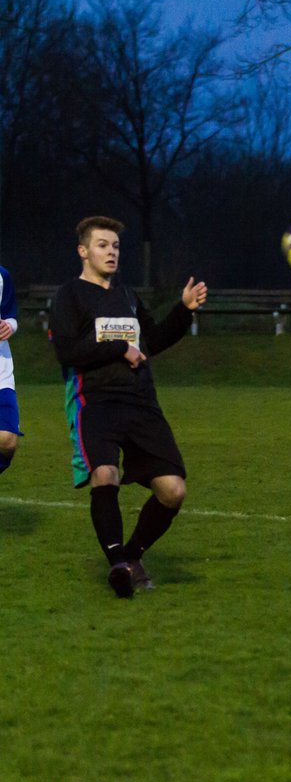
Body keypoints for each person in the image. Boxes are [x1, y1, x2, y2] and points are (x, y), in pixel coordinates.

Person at [49, 216, 208, 598]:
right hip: (96, 402)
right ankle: (117, 563)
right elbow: (68, 351)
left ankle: (132, 556)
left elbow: (152, 340)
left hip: (141, 402)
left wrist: (183, 311)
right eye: (103, 245)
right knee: (105, 475)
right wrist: (120, 347)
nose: (112, 253)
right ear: (83, 251)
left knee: (173, 491)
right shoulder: (69, 296)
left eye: (116, 247)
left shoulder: (127, 296)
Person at [0, 262, 21, 476]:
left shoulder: (2, 275)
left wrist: (9, 326)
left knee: (7, 440)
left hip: (1, 374)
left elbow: (10, 315)